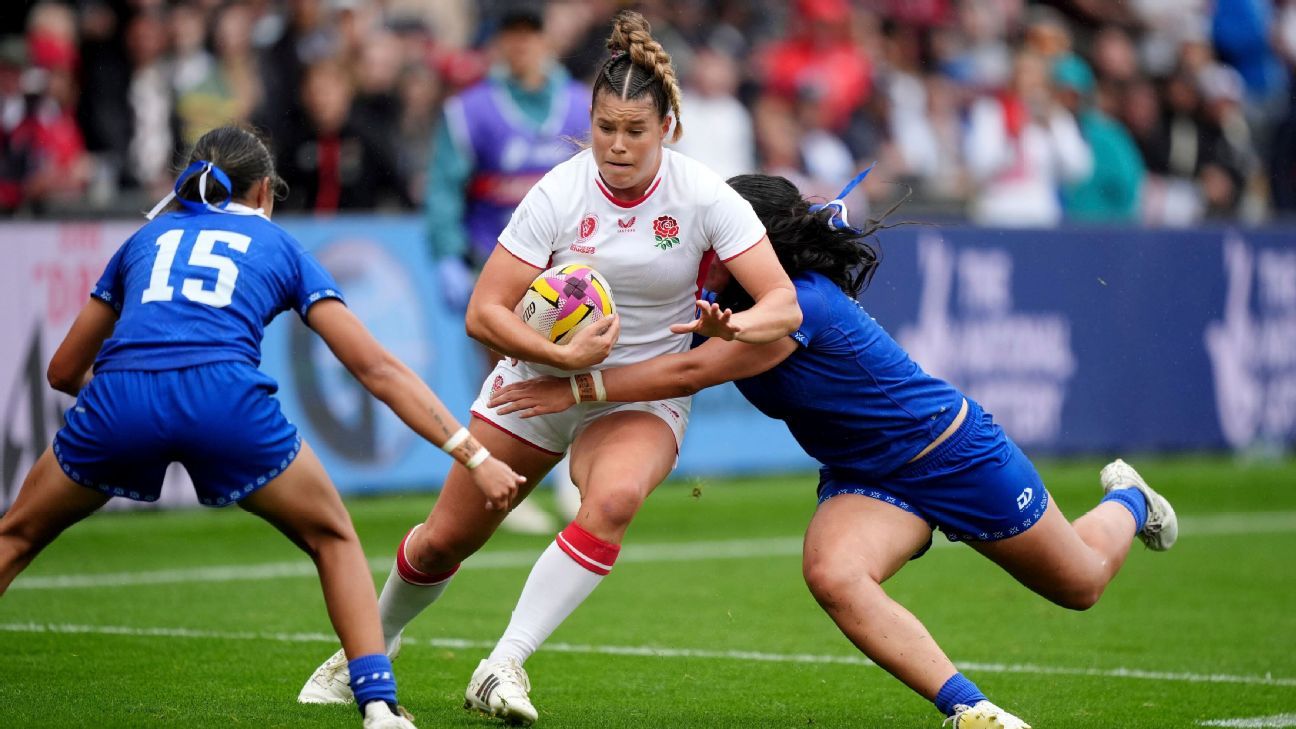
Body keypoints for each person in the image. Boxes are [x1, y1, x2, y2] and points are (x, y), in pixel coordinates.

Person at [487, 172, 1180, 729]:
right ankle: (971, 709)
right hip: (865, 477)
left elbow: (688, 373)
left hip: (954, 451)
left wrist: (577, 388)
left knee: (1082, 582)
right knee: (833, 572)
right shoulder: (719, 306)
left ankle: (1129, 498)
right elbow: (659, 335)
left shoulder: (800, 307)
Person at [297, 11, 802, 726]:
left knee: (615, 498)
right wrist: (560, 355)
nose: (618, 145)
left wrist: (734, 324)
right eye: (605, 128)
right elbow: (484, 312)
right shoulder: (559, 191)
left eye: (635, 130)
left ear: (669, 130)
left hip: (638, 393)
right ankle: (366, 654)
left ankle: (503, 662)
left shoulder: (703, 196)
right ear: (588, 122)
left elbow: (783, 305)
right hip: (540, 381)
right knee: (445, 538)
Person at [0, 125, 526, 729]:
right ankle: (378, 706)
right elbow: (373, 368)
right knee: (332, 538)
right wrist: (473, 455)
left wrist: (132, 403)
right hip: (225, 401)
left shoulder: (145, 237)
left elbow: (63, 370)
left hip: (120, 396)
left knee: (14, 535)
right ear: (263, 194)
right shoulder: (275, 243)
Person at [426, 1, 591, 533]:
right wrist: (449, 255)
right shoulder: (471, 111)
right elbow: (445, 189)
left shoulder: (577, 105)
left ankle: (567, 478)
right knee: (499, 375)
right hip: (498, 263)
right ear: (498, 42)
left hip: (571, 269)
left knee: (574, 368)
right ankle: (488, 474)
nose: (520, 46)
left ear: (544, 40)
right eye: (511, 36)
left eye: (529, 35)